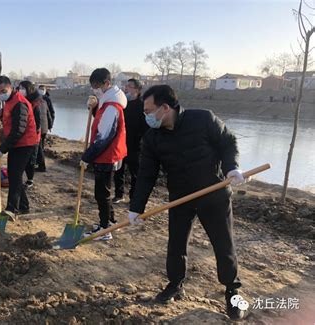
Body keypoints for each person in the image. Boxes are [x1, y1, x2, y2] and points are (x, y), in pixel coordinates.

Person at [127, 85, 248, 320]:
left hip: (213, 194)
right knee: (176, 244)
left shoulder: (203, 119)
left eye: (149, 110)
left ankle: (233, 293)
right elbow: (146, 175)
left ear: (165, 107)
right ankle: (175, 285)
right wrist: (136, 208)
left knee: (223, 246)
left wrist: (232, 167)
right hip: (180, 197)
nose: (146, 116)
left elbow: (227, 142)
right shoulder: (152, 138)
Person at [80, 68, 127, 241]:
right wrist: (93, 109)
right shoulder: (107, 103)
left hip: (107, 155)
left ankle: (105, 229)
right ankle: (111, 221)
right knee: (104, 192)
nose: (95, 89)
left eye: (97, 86)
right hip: (107, 154)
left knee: (102, 194)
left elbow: (104, 137)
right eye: (92, 86)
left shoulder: (112, 106)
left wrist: (87, 157)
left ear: (107, 84)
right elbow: (101, 125)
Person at [0, 76, 38, 219]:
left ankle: (12, 209)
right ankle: (23, 206)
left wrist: (3, 148)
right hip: (16, 143)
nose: (1, 93)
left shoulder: (19, 103)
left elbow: (19, 129)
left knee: (14, 175)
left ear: (11, 87)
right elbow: (10, 121)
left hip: (25, 143)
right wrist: (1, 115)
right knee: (15, 175)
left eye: (3, 90)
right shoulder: (8, 101)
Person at [113, 78, 148, 203]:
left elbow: (146, 127)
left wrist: (144, 142)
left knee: (135, 173)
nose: (126, 88)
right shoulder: (123, 104)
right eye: (126, 86)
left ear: (137, 90)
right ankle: (118, 194)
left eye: (129, 86)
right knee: (118, 170)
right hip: (121, 143)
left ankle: (133, 197)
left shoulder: (142, 105)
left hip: (135, 145)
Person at [19, 80, 42, 188]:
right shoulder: (23, 101)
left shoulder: (35, 104)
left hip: (33, 137)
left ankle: (30, 180)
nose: (21, 90)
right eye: (20, 88)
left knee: (31, 159)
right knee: (24, 159)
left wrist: (31, 134)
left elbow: (37, 123)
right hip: (23, 136)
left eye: (23, 88)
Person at [36, 85, 54, 172]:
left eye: (43, 89)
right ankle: (38, 163)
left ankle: (41, 166)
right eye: (40, 89)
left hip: (40, 128)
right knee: (40, 146)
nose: (41, 91)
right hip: (44, 127)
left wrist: (50, 125)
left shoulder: (45, 100)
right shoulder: (43, 101)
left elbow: (51, 113)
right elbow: (49, 114)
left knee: (39, 147)